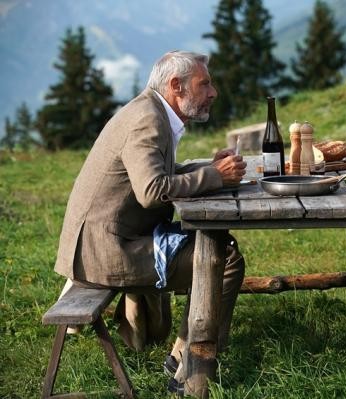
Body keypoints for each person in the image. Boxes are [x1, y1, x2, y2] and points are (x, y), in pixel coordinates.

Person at [53, 51, 247, 393]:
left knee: (217, 246)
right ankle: (195, 364)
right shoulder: (148, 119)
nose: (213, 92)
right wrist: (214, 176)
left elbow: (160, 174)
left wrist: (208, 167)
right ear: (176, 86)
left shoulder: (149, 109)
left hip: (107, 239)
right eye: (205, 84)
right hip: (107, 250)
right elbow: (152, 190)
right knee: (224, 259)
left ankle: (182, 353)